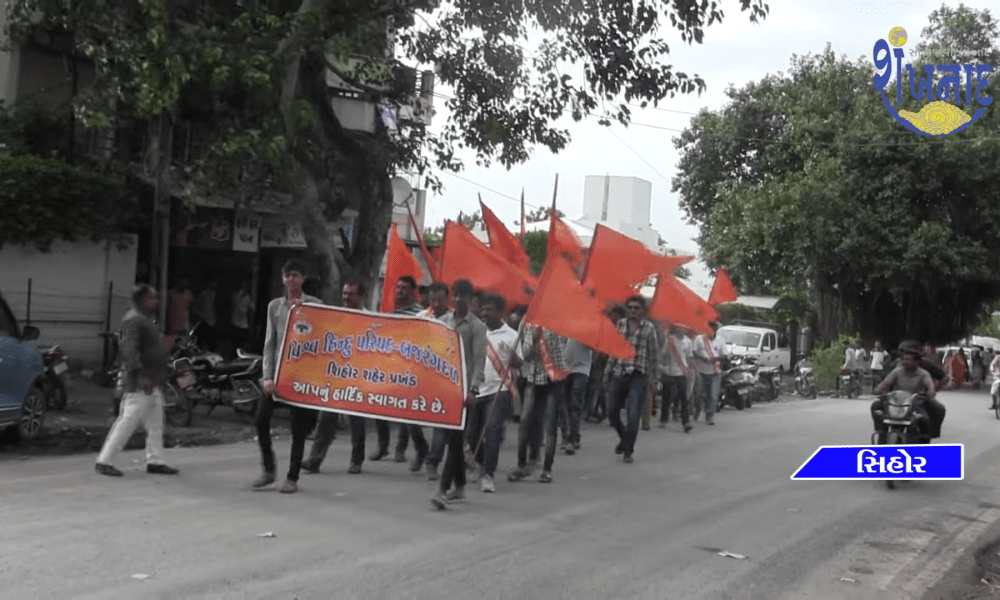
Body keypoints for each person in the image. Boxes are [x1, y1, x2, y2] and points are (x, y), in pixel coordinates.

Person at [95, 284, 180, 477]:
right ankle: (105, 460)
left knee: (156, 423)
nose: (155, 301)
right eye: (152, 298)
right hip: (141, 382)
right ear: (141, 299)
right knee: (127, 421)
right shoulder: (133, 320)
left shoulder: (146, 319)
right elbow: (129, 349)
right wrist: (140, 375)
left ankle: (156, 461)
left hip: (153, 381)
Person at [253, 260, 322, 494]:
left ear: (303, 278)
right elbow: (269, 343)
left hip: (302, 376)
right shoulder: (275, 306)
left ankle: (292, 477)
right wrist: (267, 376)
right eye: (287, 275)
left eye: (295, 275)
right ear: (282, 279)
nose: (291, 279)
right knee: (261, 419)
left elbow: (322, 339)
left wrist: (306, 313)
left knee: (299, 429)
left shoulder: (315, 305)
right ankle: (268, 469)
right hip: (279, 374)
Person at [423, 280, 487, 483]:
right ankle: (457, 484)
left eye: (463, 297)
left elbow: (479, 361)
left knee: (455, 438)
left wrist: (473, 390)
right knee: (450, 437)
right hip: (444, 386)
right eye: (456, 295)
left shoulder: (477, 327)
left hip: (464, 391)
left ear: (471, 300)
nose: (459, 300)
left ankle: (444, 486)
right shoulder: (444, 322)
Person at [302, 280, 369, 475]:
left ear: (361, 297)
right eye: (345, 293)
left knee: (357, 421)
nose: (346, 298)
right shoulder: (335, 316)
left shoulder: (370, 320)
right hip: (336, 376)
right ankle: (315, 460)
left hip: (358, 377)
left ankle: (357, 460)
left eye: (351, 294)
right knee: (326, 418)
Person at [468, 293, 520, 493]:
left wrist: (515, 359)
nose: (485, 313)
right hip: (475, 390)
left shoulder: (512, 336)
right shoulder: (477, 330)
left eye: (490, 310)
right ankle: (480, 465)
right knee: (473, 435)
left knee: (492, 431)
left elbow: (520, 364)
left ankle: (488, 474)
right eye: (483, 309)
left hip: (499, 390)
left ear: (501, 313)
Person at [370, 275, 423, 467]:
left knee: (406, 412)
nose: (400, 291)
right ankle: (383, 445)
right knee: (379, 404)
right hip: (389, 365)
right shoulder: (390, 310)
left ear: (412, 291)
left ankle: (408, 448)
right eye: (398, 287)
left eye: (404, 288)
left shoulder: (420, 314)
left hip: (409, 368)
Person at [508, 324, 569, 483]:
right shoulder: (529, 325)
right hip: (534, 380)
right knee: (524, 421)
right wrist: (533, 341)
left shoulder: (559, 324)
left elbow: (561, 348)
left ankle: (547, 469)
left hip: (554, 380)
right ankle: (521, 465)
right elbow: (527, 356)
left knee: (550, 425)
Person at [602, 295, 660, 463]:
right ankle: (624, 439)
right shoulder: (621, 325)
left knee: (633, 414)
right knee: (612, 412)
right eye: (630, 308)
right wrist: (607, 372)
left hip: (638, 375)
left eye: (636, 308)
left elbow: (654, 356)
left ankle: (628, 450)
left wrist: (655, 380)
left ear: (642, 311)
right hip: (620, 372)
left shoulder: (649, 329)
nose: (633, 311)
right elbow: (614, 349)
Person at [872, 340, 946, 442]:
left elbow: (930, 386)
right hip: (895, 403)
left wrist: (931, 391)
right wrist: (879, 389)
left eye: (909, 360)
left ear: (916, 361)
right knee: (876, 407)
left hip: (916, 402)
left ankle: (926, 436)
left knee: (936, 410)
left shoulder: (923, 373)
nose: (905, 362)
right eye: (904, 359)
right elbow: (885, 383)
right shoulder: (897, 371)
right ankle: (881, 432)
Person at [559, 336, 592, 454]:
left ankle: (572, 439)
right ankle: (567, 435)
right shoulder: (566, 326)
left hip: (581, 369)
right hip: (565, 368)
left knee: (575, 403)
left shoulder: (588, 327)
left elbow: (593, 346)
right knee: (564, 405)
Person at [659, 324, 692, 433]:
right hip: (669, 372)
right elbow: (663, 354)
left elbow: (688, 357)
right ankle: (664, 418)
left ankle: (686, 422)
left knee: (683, 398)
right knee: (666, 397)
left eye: (683, 327)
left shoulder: (688, 342)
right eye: (679, 327)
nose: (681, 329)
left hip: (682, 372)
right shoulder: (669, 340)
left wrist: (689, 371)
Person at [693, 323, 725, 426]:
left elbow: (724, 355)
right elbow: (694, 352)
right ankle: (698, 410)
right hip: (701, 371)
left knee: (713, 395)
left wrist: (717, 360)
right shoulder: (699, 339)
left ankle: (709, 415)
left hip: (715, 371)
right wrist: (702, 358)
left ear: (715, 330)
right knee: (698, 393)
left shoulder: (720, 340)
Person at [230, 280, 252, 358]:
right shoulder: (236, 295)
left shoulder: (246, 296)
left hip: (242, 323)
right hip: (236, 322)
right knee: (236, 345)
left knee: (240, 345)